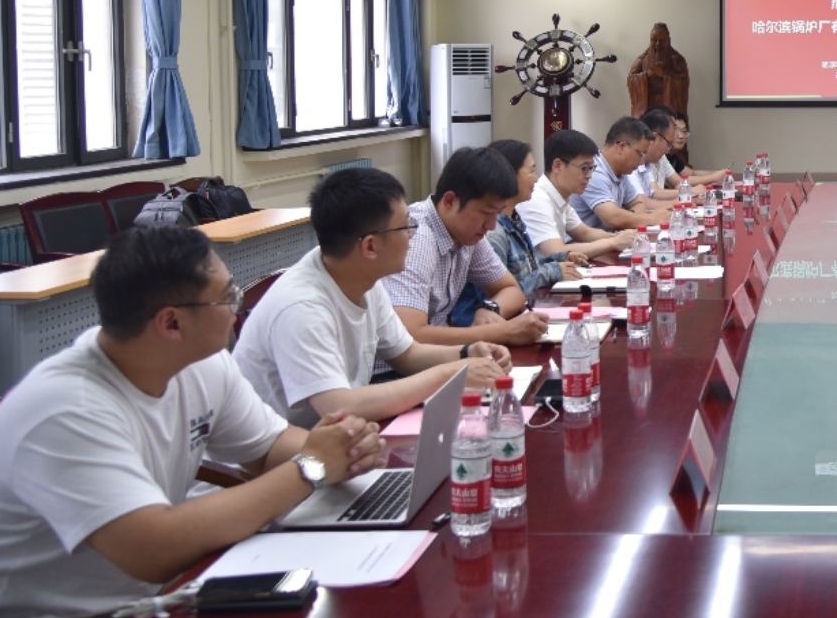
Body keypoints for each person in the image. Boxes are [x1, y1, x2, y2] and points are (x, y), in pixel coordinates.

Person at [0, 227, 385, 618]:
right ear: (171, 322)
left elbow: (268, 448)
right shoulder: (67, 410)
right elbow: (152, 550)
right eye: (227, 298)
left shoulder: (200, 362)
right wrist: (311, 466)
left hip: (156, 595)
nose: (237, 309)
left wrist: (345, 448)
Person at [234, 168, 512, 427]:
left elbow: (407, 354)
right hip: (289, 454)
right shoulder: (301, 306)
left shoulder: (362, 278)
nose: (412, 235)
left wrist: (467, 352)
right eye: (405, 227)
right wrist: (453, 372)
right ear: (370, 246)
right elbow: (339, 407)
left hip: (342, 439)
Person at [384, 147, 549, 348]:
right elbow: (410, 335)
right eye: (486, 213)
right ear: (450, 201)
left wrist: (490, 308)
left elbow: (511, 289)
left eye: (497, 214)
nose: (491, 226)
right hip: (403, 365)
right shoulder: (417, 239)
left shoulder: (467, 233)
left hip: (438, 357)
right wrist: (502, 332)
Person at [485, 139, 587, 301]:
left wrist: (559, 258)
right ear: (509, 174)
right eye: (531, 170)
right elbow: (502, 296)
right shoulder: (493, 231)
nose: (535, 178)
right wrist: (551, 271)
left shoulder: (514, 219)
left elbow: (524, 267)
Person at [516, 128, 637, 259]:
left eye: (591, 168)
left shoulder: (561, 196)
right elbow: (556, 251)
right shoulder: (537, 199)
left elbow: (585, 233)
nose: (589, 176)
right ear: (557, 166)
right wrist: (613, 242)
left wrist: (622, 237)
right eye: (584, 168)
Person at [572, 116, 672, 231]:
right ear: (621, 147)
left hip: (609, 238)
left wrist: (630, 219)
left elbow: (639, 203)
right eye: (640, 154)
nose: (641, 161)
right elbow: (612, 218)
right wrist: (652, 218)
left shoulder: (621, 172)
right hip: (586, 242)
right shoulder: (594, 172)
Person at [626, 22, 690, 118]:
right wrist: (648, 74)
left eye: (662, 40)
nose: (658, 44)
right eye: (654, 40)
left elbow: (683, 82)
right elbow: (631, 79)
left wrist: (664, 75)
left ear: (668, 41)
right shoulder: (642, 59)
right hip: (648, 105)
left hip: (668, 105)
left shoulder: (677, 60)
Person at [667, 113, 731, 186]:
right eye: (676, 130)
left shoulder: (673, 156)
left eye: (684, 131)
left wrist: (718, 173)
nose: (681, 136)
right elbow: (678, 182)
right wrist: (714, 177)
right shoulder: (662, 156)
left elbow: (691, 173)